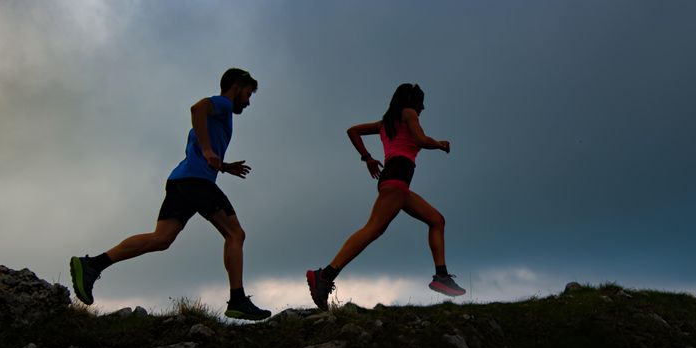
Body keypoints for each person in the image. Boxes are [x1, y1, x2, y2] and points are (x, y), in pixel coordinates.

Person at [70, 68, 271, 321]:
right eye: (248, 93)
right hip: (197, 181)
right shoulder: (222, 103)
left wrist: (223, 165)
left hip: (181, 180)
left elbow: (199, 147)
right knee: (235, 234)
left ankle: (92, 265)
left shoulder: (221, 115)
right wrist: (209, 151)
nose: (248, 101)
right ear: (237, 86)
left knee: (161, 239)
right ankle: (238, 299)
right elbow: (197, 109)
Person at [306, 83, 466, 310]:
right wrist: (440, 144)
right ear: (412, 101)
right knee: (373, 229)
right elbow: (420, 140)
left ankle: (441, 276)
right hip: (396, 180)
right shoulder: (408, 114)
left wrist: (368, 158)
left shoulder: (386, 124)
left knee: (436, 220)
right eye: (421, 102)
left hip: (397, 183)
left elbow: (353, 130)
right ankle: (324, 276)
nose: (423, 108)